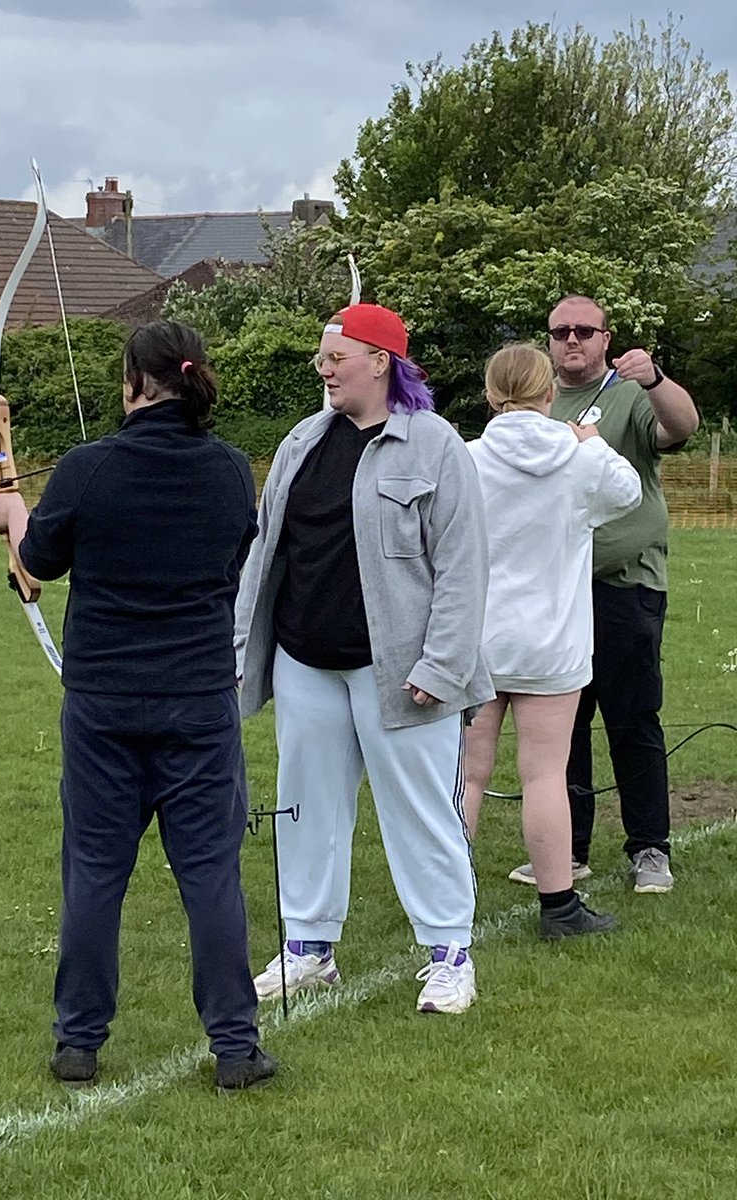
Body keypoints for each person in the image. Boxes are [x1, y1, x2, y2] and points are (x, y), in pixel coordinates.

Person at [0, 319, 276, 1092]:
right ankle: (236, 1048)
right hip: (197, 702)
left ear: (135, 384)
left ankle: (78, 1042)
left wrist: (12, 512)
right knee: (210, 873)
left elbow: (38, 559)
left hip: (106, 705)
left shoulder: (89, 468)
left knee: (95, 869)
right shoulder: (228, 470)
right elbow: (231, 557)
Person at [234, 302, 494, 1014]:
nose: (323, 370)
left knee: (421, 814)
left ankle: (450, 955)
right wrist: (243, 646)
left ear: (380, 362)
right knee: (305, 809)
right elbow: (265, 550)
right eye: (322, 358)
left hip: (404, 675)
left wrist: (441, 666)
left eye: (335, 358)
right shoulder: (302, 440)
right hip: (304, 663)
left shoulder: (436, 445)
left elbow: (464, 567)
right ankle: (308, 948)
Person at [509, 296, 699, 894]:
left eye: (584, 331)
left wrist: (656, 380)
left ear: (605, 339)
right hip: (556, 589)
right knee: (560, 724)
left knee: (633, 717)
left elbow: (682, 427)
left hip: (625, 584)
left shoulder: (629, 393)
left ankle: (649, 848)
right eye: (560, 331)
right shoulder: (536, 402)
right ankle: (569, 849)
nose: (572, 340)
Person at [464, 344, 641, 936]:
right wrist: (594, 442)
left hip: (478, 640)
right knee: (544, 774)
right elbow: (628, 492)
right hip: (551, 642)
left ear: (491, 396)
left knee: (467, 773)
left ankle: (446, 896)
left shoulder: (467, 459)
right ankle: (559, 906)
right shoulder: (578, 459)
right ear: (548, 393)